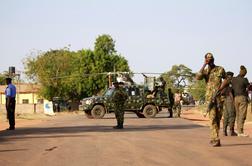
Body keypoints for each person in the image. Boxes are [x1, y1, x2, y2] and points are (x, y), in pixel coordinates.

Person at [196, 53, 227, 147]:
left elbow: (226, 79)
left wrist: (220, 89)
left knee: (218, 118)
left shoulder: (220, 69)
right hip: (210, 98)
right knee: (212, 118)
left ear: (214, 59)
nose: (210, 59)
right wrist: (204, 64)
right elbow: (198, 77)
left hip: (220, 98)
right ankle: (215, 139)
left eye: (211, 58)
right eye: (208, 58)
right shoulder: (205, 71)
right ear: (205, 59)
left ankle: (215, 137)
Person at [231, 65, 250, 137]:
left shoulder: (234, 79)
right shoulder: (245, 80)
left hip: (235, 98)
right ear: (244, 73)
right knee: (242, 114)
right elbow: (248, 87)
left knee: (238, 114)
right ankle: (240, 131)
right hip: (242, 98)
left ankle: (238, 130)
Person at [222, 71, 237, 136]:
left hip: (225, 99)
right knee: (232, 115)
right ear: (230, 76)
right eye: (231, 76)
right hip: (229, 99)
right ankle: (231, 131)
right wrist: (233, 100)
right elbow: (230, 92)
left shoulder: (224, 82)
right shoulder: (229, 82)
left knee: (226, 115)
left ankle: (224, 131)